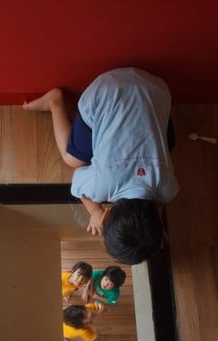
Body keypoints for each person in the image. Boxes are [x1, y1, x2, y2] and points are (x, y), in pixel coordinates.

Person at [23, 68, 179, 265]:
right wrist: (94, 211)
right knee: (72, 160)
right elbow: (78, 181)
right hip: (104, 90)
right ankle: (55, 103)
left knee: (168, 145)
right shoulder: (101, 187)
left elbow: (160, 201)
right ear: (106, 216)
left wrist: (156, 224)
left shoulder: (167, 189)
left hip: (156, 87)